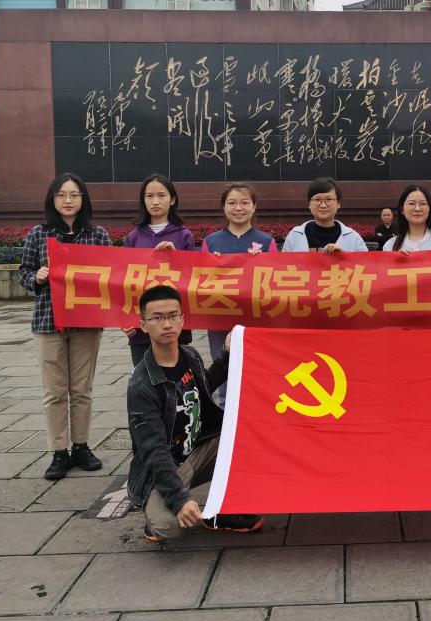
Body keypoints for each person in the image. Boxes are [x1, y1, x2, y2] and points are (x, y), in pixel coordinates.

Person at [127, 284, 264, 544]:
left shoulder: (189, 355)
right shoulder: (141, 385)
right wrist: (179, 499)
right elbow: (154, 450)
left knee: (253, 436)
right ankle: (157, 510)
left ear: (182, 320)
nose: (167, 324)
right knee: (169, 527)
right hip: (165, 466)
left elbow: (202, 387)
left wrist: (227, 354)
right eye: (157, 318)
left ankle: (222, 511)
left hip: (198, 448)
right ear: (143, 325)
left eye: (172, 316)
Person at [19, 173, 111, 480]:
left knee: (82, 389)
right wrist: (36, 277)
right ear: (52, 199)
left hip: (86, 323)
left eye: (74, 195)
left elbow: (111, 275)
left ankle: (81, 446)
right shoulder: (38, 234)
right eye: (61, 195)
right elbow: (23, 273)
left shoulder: (97, 235)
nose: (68, 200)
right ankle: (59, 451)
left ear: (83, 199)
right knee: (54, 391)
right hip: (48, 321)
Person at [122, 174, 197, 367]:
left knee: (178, 377)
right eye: (149, 196)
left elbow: (195, 277)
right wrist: (124, 319)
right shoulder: (133, 237)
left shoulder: (184, 235)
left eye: (161, 195)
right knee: (145, 378)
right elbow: (121, 281)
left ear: (172, 199)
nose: (155, 201)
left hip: (174, 327)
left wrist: (177, 257)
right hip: (142, 329)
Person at [201, 184, 277, 364]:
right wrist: (211, 266)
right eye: (232, 203)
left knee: (256, 367)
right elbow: (199, 281)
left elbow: (276, 282)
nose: (238, 208)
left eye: (244, 202)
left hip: (256, 317)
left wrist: (263, 263)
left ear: (254, 206)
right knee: (222, 369)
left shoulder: (267, 242)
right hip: (220, 318)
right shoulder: (210, 242)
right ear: (223, 207)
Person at [281, 177, 368, 253]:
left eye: (329, 199)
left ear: (338, 203)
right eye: (317, 200)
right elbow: (283, 265)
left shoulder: (353, 238)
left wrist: (344, 257)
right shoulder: (295, 235)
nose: (323, 205)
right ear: (309, 204)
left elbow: (366, 265)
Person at [383, 185, 431, 253]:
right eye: (411, 203)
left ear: (430, 209)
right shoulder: (390, 246)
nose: (417, 209)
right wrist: (395, 260)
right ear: (402, 209)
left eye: (423, 204)